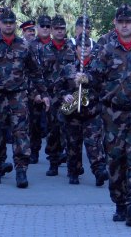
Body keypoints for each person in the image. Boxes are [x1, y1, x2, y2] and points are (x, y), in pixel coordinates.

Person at [77, 4, 131, 227]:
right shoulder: (106, 51)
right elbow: (94, 77)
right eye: (121, 21)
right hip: (112, 115)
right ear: (115, 24)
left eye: (129, 21)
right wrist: (84, 78)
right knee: (115, 161)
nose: (125, 25)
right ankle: (120, 203)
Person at [0, 7, 50, 188]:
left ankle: (21, 170)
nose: (8, 26)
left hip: (19, 96)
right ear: (0, 24)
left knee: (21, 133)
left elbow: (35, 73)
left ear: (15, 25)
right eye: (5, 23)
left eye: (11, 23)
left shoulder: (24, 46)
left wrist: (43, 94)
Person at [58, 34, 108, 186]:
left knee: (94, 143)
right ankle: (74, 171)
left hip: (91, 113)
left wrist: (88, 78)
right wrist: (64, 95)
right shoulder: (68, 67)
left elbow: (103, 83)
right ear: (76, 48)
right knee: (73, 144)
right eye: (81, 46)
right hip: (73, 114)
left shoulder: (98, 65)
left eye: (87, 45)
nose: (84, 48)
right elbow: (58, 87)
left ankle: (99, 171)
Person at [40, 15, 76, 176]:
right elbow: (39, 74)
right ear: (52, 30)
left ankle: (72, 165)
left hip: (69, 95)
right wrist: (42, 94)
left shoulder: (72, 48)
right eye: (57, 29)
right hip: (52, 96)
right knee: (53, 130)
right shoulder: (44, 49)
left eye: (62, 29)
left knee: (69, 131)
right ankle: (53, 163)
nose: (60, 32)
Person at [27, 15, 52, 164]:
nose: (45, 29)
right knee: (34, 125)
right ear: (37, 28)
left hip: (52, 91)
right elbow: (26, 71)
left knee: (54, 125)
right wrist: (35, 93)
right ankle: (34, 151)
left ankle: (54, 153)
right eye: (42, 26)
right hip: (35, 91)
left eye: (48, 26)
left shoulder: (56, 45)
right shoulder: (30, 46)